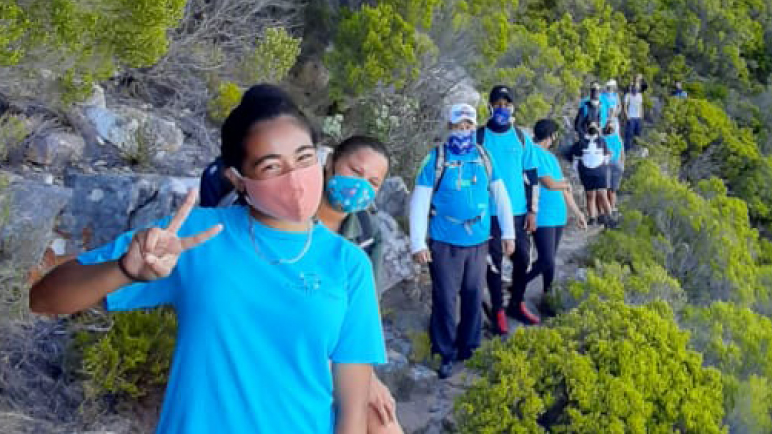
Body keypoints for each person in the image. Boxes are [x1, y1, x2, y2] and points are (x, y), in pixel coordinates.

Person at [30, 84, 386, 434]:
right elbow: (44, 298)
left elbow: (352, 410)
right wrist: (125, 270)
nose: (294, 179)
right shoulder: (195, 235)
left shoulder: (350, 264)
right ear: (239, 179)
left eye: (303, 158)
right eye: (271, 167)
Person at [408, 103, 516, 379]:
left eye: (468, 126)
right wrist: (418, 242)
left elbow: (500, 195)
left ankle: (470, 347)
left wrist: (508, 233)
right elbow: (420, 200)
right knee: (445, 297)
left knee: (473, 294)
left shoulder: (483, 156)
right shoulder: (436, 159)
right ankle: (444, 351)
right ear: (449, 127)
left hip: (479, 240)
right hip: (445, 241)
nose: (464, 131)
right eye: (459, 126)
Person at [313, 136, 404, 434]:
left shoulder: (366, 233)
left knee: (383, 421)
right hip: (297, 344)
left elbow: (363, 315)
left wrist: (369, 378)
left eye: (373, 182)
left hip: (339, 349)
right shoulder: (293, 217)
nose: (361, 185)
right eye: (355, 171)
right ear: (330, 164)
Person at [476, 85, 542, 335]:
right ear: (490, 106)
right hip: (489, 213)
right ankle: (498, 309)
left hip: (518, 212)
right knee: (493, 262)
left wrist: (533, 210)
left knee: (523, 259)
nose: (502, 108)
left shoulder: (522, 138)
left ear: (512, 107)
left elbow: (532, 176)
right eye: (498, 103)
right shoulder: (479, 137)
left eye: (507, 103)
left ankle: (517, 302)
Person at [515, 119, 587, 312]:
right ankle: (517, 287)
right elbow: (550, 183)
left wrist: (578, 212)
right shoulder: (534, 154)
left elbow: (564, 189)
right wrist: (565, 184)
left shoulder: (551, 158)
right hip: (542, 215)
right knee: (545, 259)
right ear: (551, 135)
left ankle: (548, 298)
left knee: (550, 261)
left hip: (558, 215)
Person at [567, 121, 611, 227]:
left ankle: (608, 216)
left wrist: (603, 165)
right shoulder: (581, 142)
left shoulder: (601, 141)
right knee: (590, 195)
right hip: (588, 172)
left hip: (598, 172)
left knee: (602, 194)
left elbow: (606, 155)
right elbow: (576, 158)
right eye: (591, 126)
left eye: (594, 126)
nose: (593, 128)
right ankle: (592, 217)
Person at [602, 116, 625, 227]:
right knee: (610, 189)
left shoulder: (609, 138)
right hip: (612, 165)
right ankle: (610, 208)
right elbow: (621, 153)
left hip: (611, 165)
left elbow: (621, 152)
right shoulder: (612, 138)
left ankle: (610, 209)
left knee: (609, 189)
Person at [622, 75, 647, 146]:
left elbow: (641, 106)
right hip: (631, 117)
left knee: (637, 134)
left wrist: (642, 115)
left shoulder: (640, 95)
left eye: (637, 87)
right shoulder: (628, 95)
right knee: (629, 135)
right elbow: (625, 106)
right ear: (632, 87)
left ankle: (636, 148)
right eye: (634, 87)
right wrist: (627, 116)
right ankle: (627, 149)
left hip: (638, 117)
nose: (635, 88)